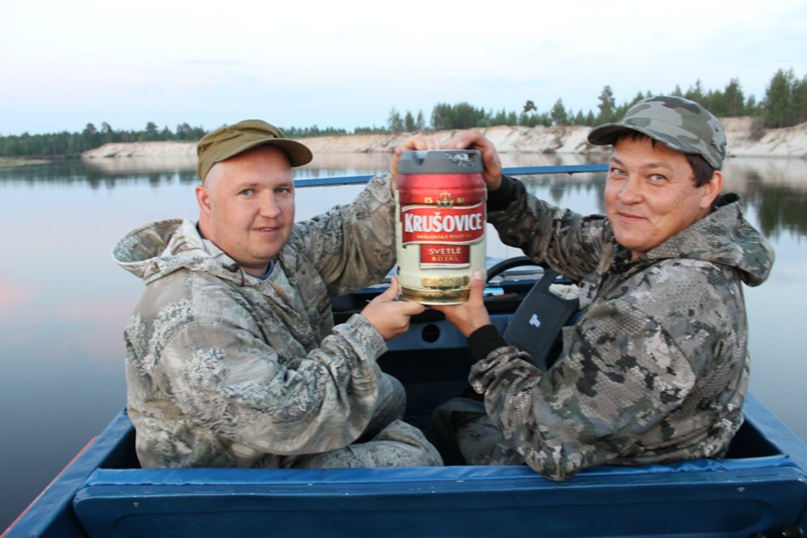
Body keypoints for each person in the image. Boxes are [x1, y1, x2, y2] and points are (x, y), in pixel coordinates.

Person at [421, 96, 775, 480]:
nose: (626, 195)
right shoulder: (669, 238)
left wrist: (480, 332)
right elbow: (563, 239)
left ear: (708, 188)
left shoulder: (656, 308)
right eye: (619, 171)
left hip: (627, 486)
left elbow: (545, 441)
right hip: (626, 441)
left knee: (447, 422)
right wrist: (500, 189)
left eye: (656, 177)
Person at [113, 119, 443, 469]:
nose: (271, 210)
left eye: (282, 190)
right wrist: (366, 334)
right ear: (205, 200)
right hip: (231, 476)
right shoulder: (191, 312)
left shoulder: (277, 251)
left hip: (277, 430)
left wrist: (402, 184)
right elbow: (282, 419)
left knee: (388, 393)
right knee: (418, 460)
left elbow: (350, 238)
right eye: (248, 192)